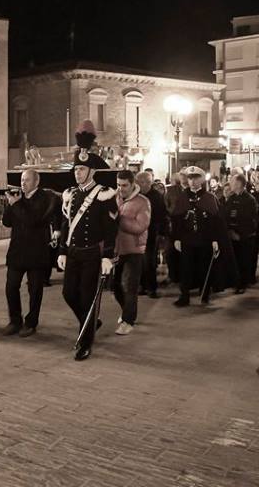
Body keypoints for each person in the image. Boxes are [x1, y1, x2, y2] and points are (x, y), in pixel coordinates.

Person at [57, 120, 118, 361]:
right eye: (75, 170)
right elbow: (65, 224)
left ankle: (85, 341)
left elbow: (111, 228)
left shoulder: (103, 195)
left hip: (93, 253)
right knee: (68, 294)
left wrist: (107, 256)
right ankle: (91, 321)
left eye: (81, 170)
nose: (77, 173)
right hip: (73, 253)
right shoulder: (71, 195)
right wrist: (62, 250)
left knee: (86, 296)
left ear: (91, 171)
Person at [1, 169, 59, 337]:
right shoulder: (17, 198)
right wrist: (10, 205)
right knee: (11, 286)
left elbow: (33, 220)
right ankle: (14, 320)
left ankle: (31, 323)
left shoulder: (45, 199)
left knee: (35, 290)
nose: (23, 183)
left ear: (36, 182)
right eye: (21, 180)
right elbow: (7, 222)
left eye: (26, 180)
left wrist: (16, 204)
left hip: (36, 252)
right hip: (17, 251)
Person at [172, 166, 222, 306]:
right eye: (190, 178)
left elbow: (215, 221)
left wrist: (214, 239)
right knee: (185, 268)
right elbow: (176, 220)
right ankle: (184, 295)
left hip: (204, 238)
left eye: (195, 178)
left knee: (204, 266)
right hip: (187, 238)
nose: (192, 181)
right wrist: (176, 238)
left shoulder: (209, 198)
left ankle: (205, 293)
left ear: (201, 179)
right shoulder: (182, 198)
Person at [113, 170, 150, 335]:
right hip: (117, 250)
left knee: (130, 286)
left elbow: (140, 227)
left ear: (132, 183)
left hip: (135, 250)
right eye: (119, 185)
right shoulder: (115, 198)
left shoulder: (143, 202)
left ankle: (128, 320)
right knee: (115, 286)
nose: (121, 189)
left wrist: (119, 219)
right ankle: (126, 310)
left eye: (124, 185)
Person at [222, 174, 257, 293]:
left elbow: (249, 219)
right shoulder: (231, 198)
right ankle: (234, 281)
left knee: (244, 260)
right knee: (234, 260)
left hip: (244, 236)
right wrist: (229, 230)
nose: (230, 184)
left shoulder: (249, 199)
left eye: (232, 182)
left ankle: (243, 283)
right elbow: (226, 215)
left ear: (238, 184)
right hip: (232, 235)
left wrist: (240, 234)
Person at [136, 171, 166, 297]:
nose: (137, 185)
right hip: (137, 233)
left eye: (139, 182)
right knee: (139, 261)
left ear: (146, 183)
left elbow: (161, 216)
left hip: (151, 233)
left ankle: (151, 288)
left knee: (149, 261)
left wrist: (162, 232)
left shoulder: (156, 196)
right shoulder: (136, 195)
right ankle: (142, 286)